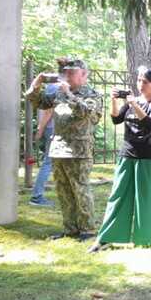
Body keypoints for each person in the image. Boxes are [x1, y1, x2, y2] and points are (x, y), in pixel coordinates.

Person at [90, 66, 151, 252]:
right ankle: (107, 237)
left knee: (145, 199)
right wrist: (113, 101)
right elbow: (116, 119)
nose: (140, 84)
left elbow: (150, 123)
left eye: (145, 81)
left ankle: (142, 240)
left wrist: (134, 104)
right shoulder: (134, 100)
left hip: (149, 157)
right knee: (118, 196)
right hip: (128, 153)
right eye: (139, 80)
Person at [26, 58, 103, 241]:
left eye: (72, 73)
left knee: (80, 190)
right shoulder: (59, 93)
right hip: (59, 149)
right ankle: (70, 229)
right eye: (66, 72)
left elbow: (86, 113)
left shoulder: (91, 94)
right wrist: (37, 83)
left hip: (79, 150)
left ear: (84, 75)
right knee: (63, 191)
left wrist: (69, 94)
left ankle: (88, 230)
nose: (67, 76)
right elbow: (37, 101)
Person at [29, 98, 55, 207]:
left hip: (50, 127)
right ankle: (36, 196)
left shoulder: (49, 87)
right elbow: (48, 111)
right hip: (52, 128)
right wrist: (40, 129)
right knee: (48, 162)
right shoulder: (55, 87)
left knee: (52, 162)